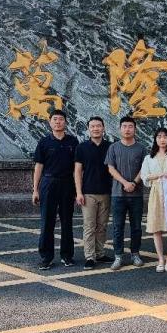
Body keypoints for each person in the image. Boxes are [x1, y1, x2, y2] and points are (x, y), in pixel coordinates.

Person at [32, 109, 79, 270]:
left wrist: (78, 190)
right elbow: (38, 166)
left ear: (65, 122)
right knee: (47, 221)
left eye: (61, 119)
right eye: (55, 119)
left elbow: (77, 168)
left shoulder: (73, 142)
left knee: (67, 221)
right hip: (48, 183)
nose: (58, 122)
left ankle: (67, 256)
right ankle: (46, 257)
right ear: (50, 122)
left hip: (67, 183)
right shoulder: (44, 142)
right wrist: (35, 189)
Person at [105, 116, 147, 270]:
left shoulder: (141, 148)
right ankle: (118, 256)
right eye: (124, 126)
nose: (127, 129)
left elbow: (144, 168)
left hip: (136, 194)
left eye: (130, 126)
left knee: (136, 227)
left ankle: (135, 254)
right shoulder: (113, 147)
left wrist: (134, 183)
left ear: (135, 129)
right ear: (120, 129)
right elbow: (111, 168)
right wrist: (125, 183)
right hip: (118, 194)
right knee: (118, 227)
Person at [140, 128, 167, 272]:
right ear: (155, 139)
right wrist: (159, 175)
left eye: (165, 136)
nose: (162, 139)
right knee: (156, 226)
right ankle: (160, 258)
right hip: (155, 193)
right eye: (159, 136)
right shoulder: (149, 158)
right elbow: (144, 176)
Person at [74, 116, 114, 270]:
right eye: (93, 126)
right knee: (89, 226)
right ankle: (90, 257)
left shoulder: (110, 147)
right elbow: (78, 171)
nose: (96, 128)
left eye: (98, 126)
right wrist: (78, 192)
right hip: (88, 193)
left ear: (103, 128)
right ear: (88, 129)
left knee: (102, 226)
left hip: (106, 192)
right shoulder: (82, 147)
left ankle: (100, 253)